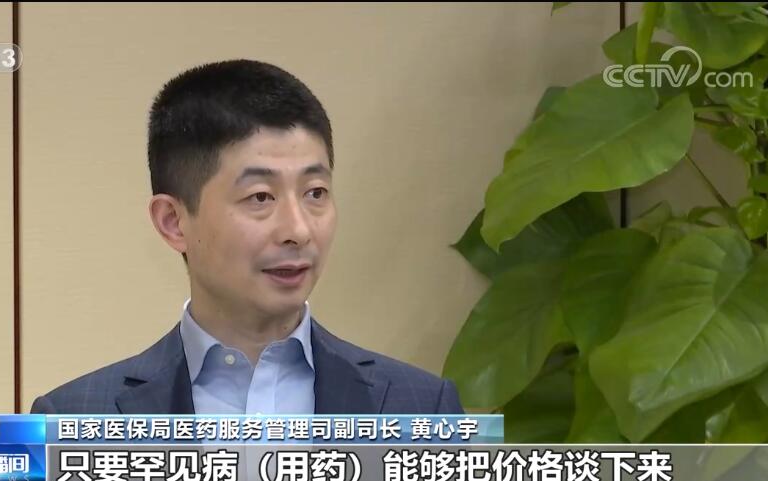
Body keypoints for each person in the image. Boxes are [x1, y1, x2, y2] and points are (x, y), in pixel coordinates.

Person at [30, 59, 464, 415]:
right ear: (173, 222)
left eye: (315, 193)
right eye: (260, 197)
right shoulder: (71, 420)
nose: (298, 230)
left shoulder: (423, 408)